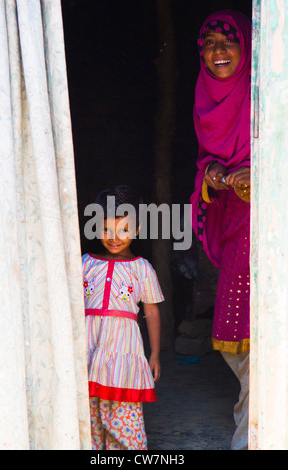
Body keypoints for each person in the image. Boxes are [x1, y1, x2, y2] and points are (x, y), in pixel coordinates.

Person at [190, 10, 251, 450]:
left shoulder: (264, 90)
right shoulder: (204, 97)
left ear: (245, 48)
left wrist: (258, 171)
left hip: (265, 225)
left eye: (227, 41)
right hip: (233, 226)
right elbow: (203, 162)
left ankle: (252, 434)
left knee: (262, 340)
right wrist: (212, 173)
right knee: (237, 345)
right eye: (209, 42)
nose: (218, 51)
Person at [82, 185, 164, 450]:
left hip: (123, 352)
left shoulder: (142, 268)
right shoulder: (84, 263)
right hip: (87, 350)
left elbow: (151, 311)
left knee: (123, 417)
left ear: (137, 230)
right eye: (106, 229)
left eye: (124, 230)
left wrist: (154, 355)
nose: (114, 237)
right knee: (88, 416)